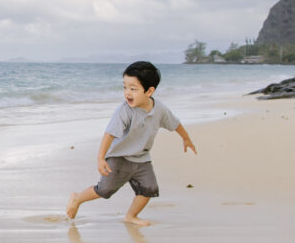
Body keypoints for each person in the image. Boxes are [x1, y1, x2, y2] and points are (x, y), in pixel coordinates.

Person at [66, 61, 197, 226]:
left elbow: (174, 123)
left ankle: (131, 216)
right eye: (125, 87)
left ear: (149, 91)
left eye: (133, 89)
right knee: (105, 190)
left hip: (142, 158)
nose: (127, 93)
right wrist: (100, 159)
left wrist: (186, 138)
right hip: (119, 158)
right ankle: (77, 198)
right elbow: (109, 135)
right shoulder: (125, 111)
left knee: (149, 189)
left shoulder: (160, 109)